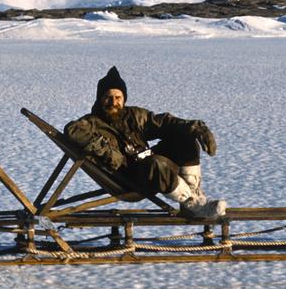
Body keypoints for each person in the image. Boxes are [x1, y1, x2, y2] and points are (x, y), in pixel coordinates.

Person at [64, 66, 227, 220]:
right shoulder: (92, 123)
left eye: (118, 97)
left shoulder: (133, 115)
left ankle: (194, 198)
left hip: (147, 163)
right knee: (157, 164)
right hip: (129, 177)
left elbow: (164, 123)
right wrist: (107, 152)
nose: (114, 102)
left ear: (124, 98)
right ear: (100, 99)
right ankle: (192, 204)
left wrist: (198, 128)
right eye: (108, 97)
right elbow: (72, 130)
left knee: (185, 140)